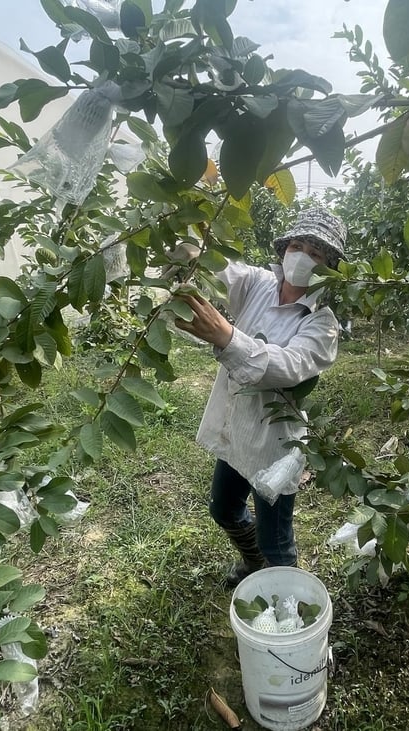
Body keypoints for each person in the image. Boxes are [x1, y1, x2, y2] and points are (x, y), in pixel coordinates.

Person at [173, 208, 347, 586]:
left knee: (277, 542)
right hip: (238, 430)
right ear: (284, 250)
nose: (302, 256)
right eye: (298, 246)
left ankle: (288, 612)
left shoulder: (323, 324)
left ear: (329, 267)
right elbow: (217, 269)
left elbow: (288, 365)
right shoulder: (258, 284)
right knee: (224, 509)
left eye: (316, 254)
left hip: (274, 449)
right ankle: (254, 564)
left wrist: (227, 337)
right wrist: (184, 244)